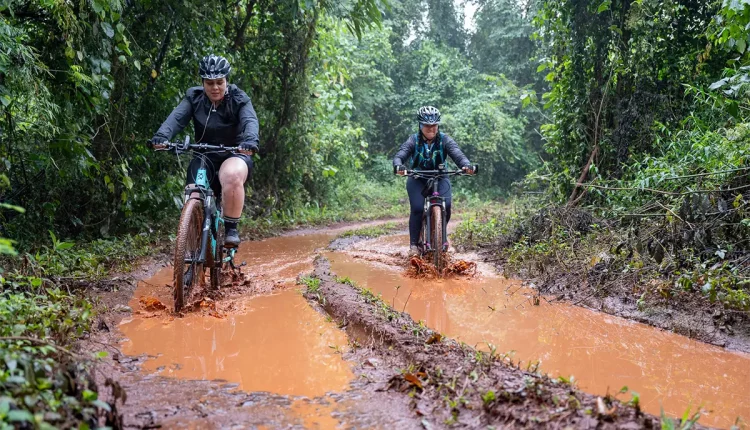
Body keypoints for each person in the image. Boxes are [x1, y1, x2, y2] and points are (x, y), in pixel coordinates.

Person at [150, 54, 259, 248]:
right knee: (193, 194)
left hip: (234, 152)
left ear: (226, 80)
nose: (215, 87)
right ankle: (191, 247)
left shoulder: (239, 98)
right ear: (203, 82)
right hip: (204, 153)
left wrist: (250, 141)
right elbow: (176, 119)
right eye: (209, 83)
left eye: (219, 82)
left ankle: (231, 229)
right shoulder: (194, 97)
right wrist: (161, 136)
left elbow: (250, 121)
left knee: (232, 175)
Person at [393, 106, 475, 257]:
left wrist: (466, 165)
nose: (431, 129)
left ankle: (441, 235)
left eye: (434, 125)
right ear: (420, 125)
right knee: (417, 208)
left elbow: (458, 154)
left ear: (438, 125)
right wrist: (398, 165)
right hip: (417, 177)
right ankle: (413, 246)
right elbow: (401, 155)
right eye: (427, 125)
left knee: (447, 205)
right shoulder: (413, 140)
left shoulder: (445, 140)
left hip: (440, 176)